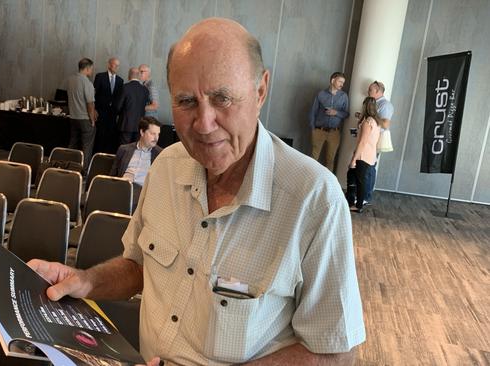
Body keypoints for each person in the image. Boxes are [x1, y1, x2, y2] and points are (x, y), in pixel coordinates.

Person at [28, 17, 365, 365]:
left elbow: (336, 350)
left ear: (260, 90)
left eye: (222, 98)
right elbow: (139, 266)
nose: (204, 124)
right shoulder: (166, 168)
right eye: (187, 101)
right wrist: (85, 281)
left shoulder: (314, 199)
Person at [110, 116, 162, 211]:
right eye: (152, 134)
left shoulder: (160, 155)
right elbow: (113, 175)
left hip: (143, 193)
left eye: (158, 134)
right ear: (142, 132)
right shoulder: (124, 149)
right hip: (123, 187)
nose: (156, 138)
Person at [308, 72, 349, 172]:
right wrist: (313, 128)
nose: (342, 84)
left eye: (343, 83)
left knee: (330, 160)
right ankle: (310, 180)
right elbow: (313, 112)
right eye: (340, 81)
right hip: (319, 131)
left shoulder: (344, 96)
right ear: (332, 80)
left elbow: (346, 114)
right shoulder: (321, 94)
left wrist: (336, 113)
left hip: (334, 133)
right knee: (313, 158)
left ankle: (327, 184)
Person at [346, 97, 381, 213]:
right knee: (355, 177)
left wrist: (354, 159)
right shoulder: (376, 122)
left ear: (365, 106)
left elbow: (363, 141)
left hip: (363, 155)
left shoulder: (368, 122)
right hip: (370, 154)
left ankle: (358, 205)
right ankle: (353, 201)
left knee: (359, 180)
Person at [363, 80, 394, 204]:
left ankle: (366, 196)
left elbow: (385, 124)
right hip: (370, 139)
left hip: (375, 141)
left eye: (370, 90)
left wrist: (371, 118)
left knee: (369, 168)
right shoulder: (375, 103)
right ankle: (363, 195)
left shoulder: (385, 105)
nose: (368, 91)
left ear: (377, 91)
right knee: (365, 168)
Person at [66, 58, 97, 170]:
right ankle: (83, 171)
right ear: (87, 68)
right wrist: (92, 119)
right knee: (87, 147)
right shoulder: (86, 82)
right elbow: (90, 104)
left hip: (73, 117)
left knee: (73, 143)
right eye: (91, 69)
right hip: (84, 119)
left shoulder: (70, 80)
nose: (92, 71)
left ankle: (67, 166)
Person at [93, 57, 123, 154]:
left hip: (113, 114)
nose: (116, 67)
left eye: (118, 65)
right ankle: (97, 156)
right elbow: (94, 94)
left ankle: (106, 156)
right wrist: (94, 109)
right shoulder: (100, 77)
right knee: (100, 136)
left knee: (110, 136)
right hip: (100, 112)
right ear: (109, 65)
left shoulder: (120, 80)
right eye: (115, 65)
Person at [116, 67, 150, 144]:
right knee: (135, 150)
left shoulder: (125, 87)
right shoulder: (145, 90)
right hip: (139, 125)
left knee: (124, 149)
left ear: (129, 75)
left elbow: (118, 107)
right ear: (138, 76)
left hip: (125, 124)